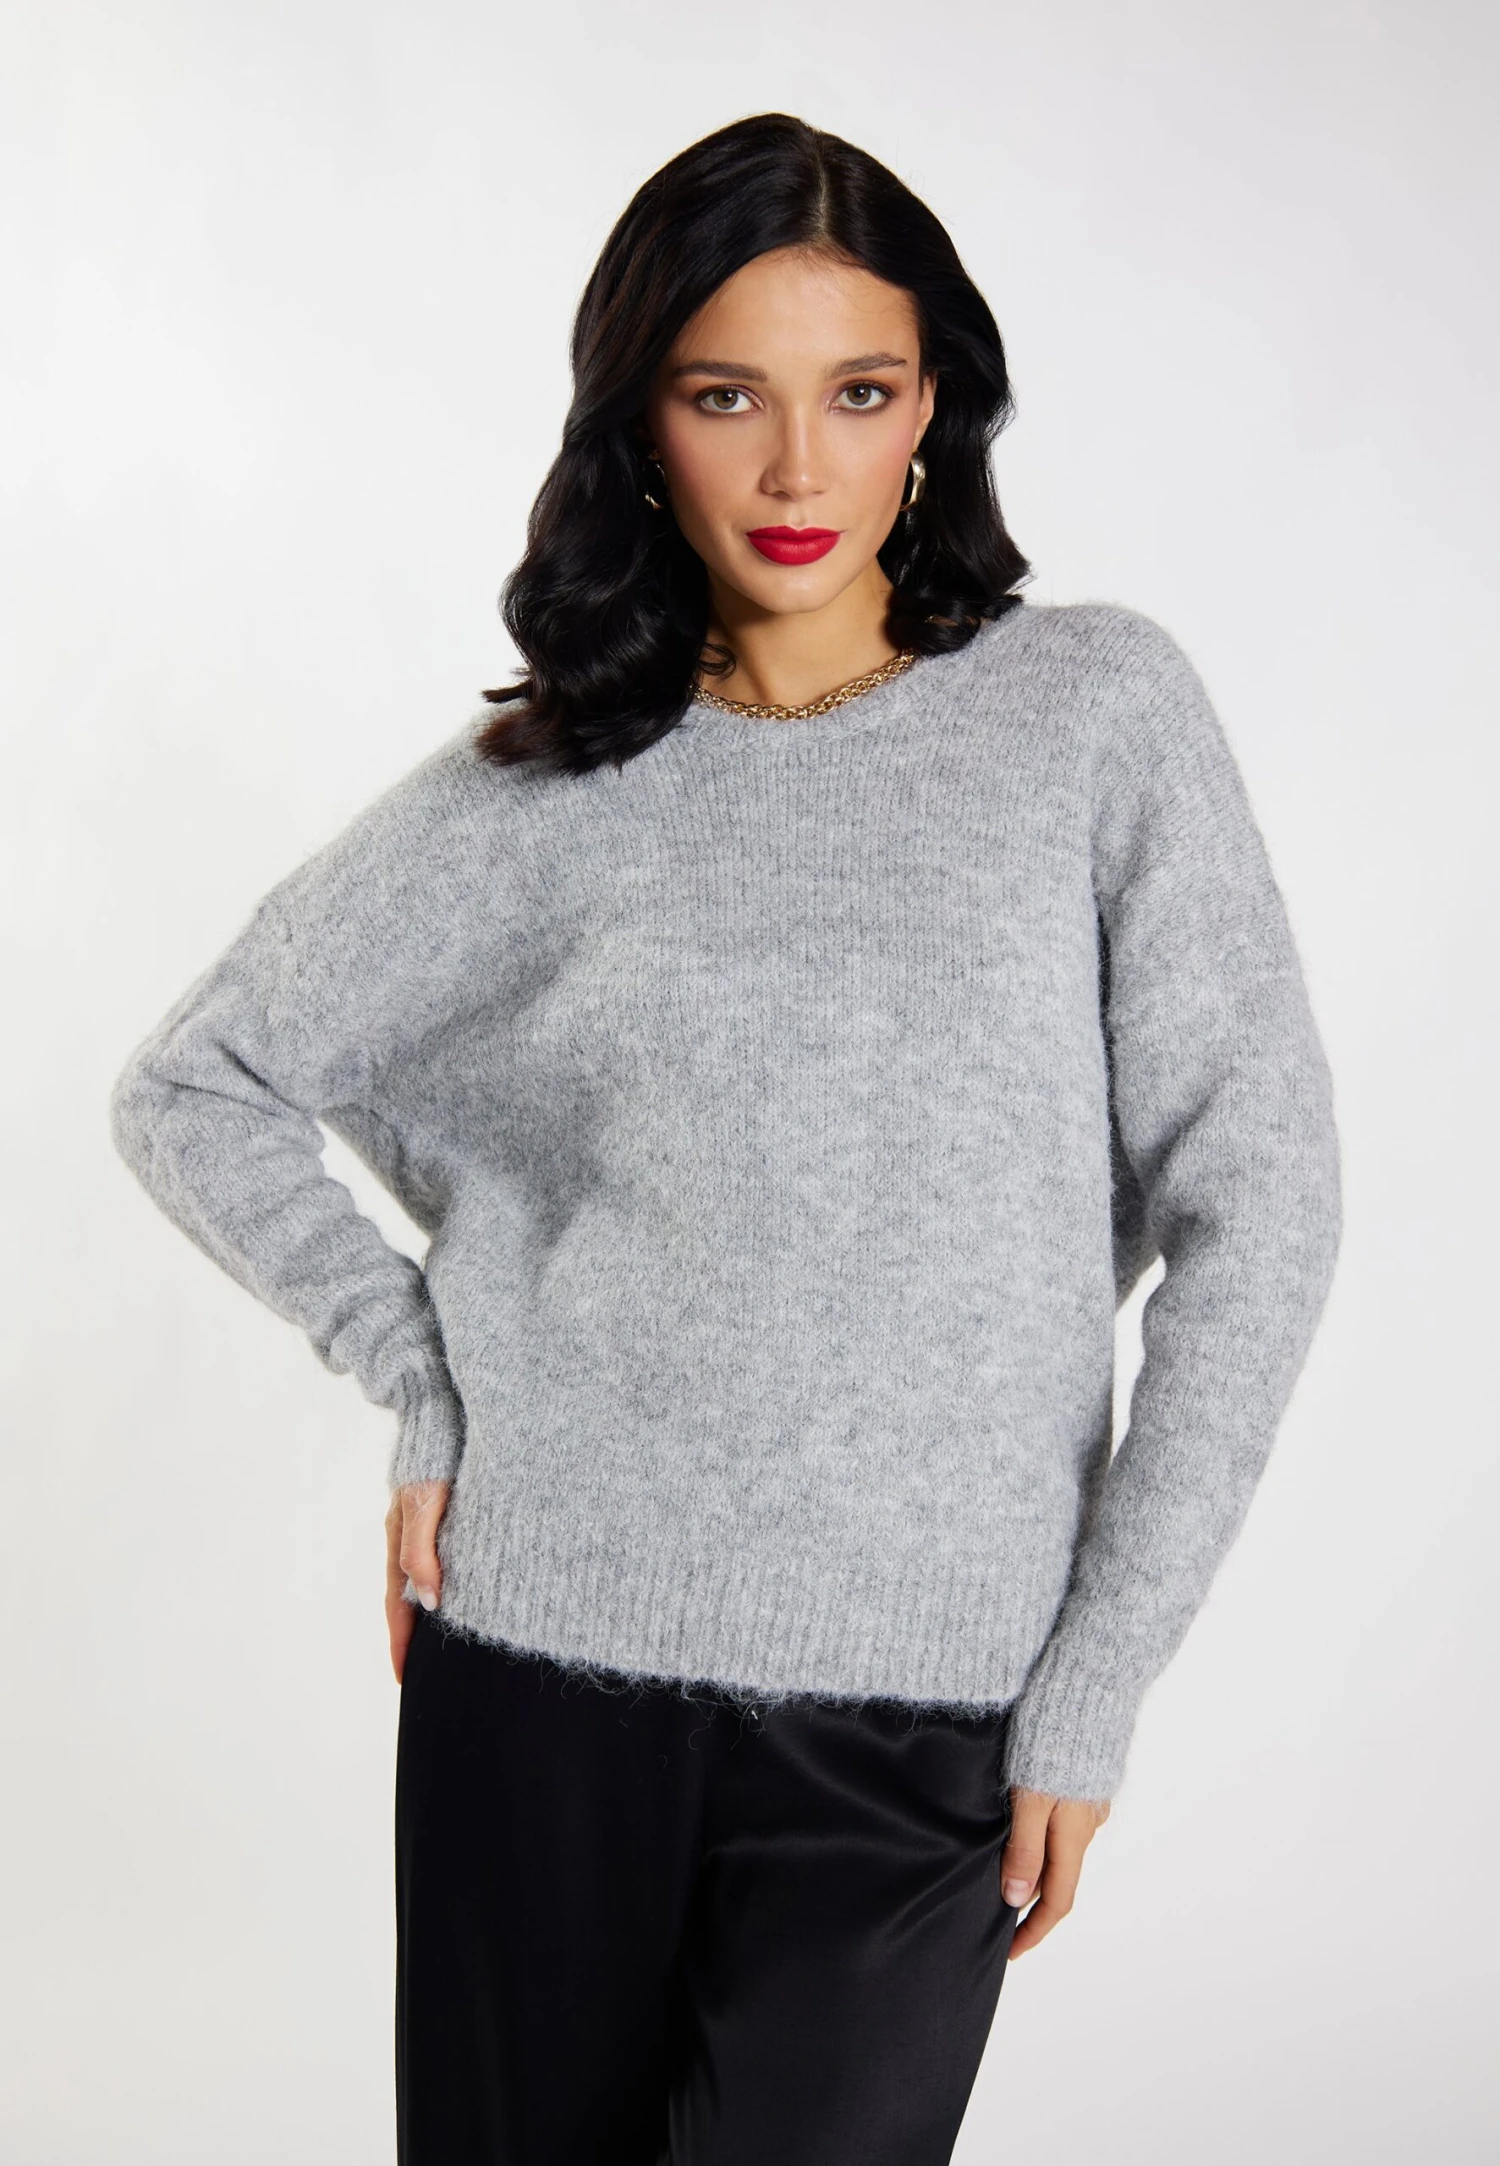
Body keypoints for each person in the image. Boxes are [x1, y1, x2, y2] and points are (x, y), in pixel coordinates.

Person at [108, 112, 1343, 2166]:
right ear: (638, 425)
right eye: (722, 397)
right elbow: (193, 1083)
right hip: (536, 1677)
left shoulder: (1095, 717)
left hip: (920, 1724)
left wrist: (1101, 1677)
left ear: (932, 409)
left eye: (856, 394)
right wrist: (419, 1376)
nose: (793, 471)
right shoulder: (537, 788)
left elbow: (1266, 1205)